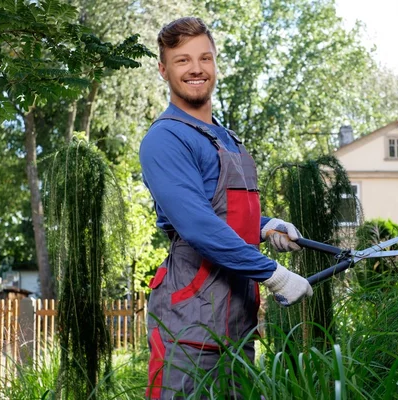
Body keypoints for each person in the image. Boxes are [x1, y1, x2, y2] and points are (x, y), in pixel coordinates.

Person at [139, 17, 313, 399]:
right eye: (182, 60)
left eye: (205, 57)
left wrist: (266, 227)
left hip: (237, 323)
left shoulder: (225, 136)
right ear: (163, 68)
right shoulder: (165, 138)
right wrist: (275, 274)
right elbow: (198, 225)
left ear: (216, 62)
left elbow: (225, 211)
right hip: (188, 326)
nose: (196, 68)